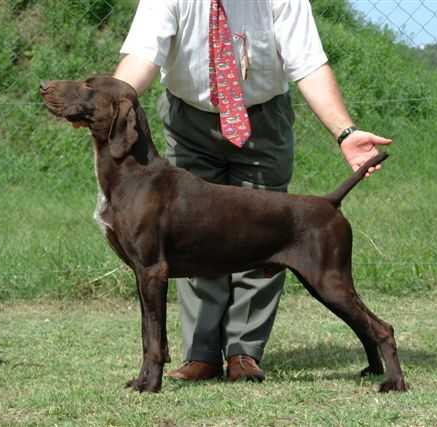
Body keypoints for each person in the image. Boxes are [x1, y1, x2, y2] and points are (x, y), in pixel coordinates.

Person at [113, 0, 392, 382]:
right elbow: (143, 57)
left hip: (263, 118)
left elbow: (307, 62)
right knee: (190, 234)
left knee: (265, 232)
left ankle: (245, 353)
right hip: (189, 119)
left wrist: (344, 132)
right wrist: (111, 106)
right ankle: (202, 354)